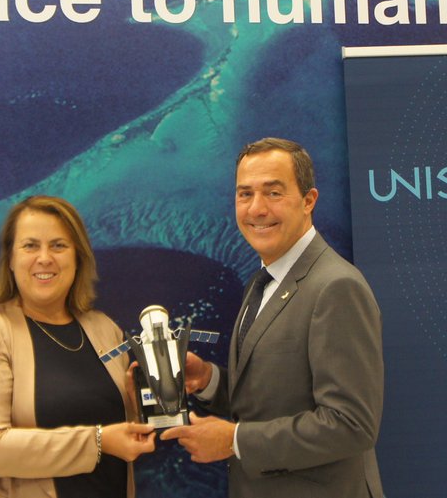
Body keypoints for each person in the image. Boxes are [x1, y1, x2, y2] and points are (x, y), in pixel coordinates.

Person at [161, 138, 385, 498]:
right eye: (245, 194)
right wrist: (208, 381)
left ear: (309, 201)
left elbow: (350, 425)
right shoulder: (261, 281)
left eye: (273, 193)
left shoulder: (336, 287)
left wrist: (234, 441)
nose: (256, 208)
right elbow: (272, 398)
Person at [0, 195, 156, 498]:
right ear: (11, 260)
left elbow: (121, 432)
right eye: (30, 246)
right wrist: (97, 442)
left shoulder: (105, 330)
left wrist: (142, 410)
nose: (44, 258)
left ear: (78, 257)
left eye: (58, 245)